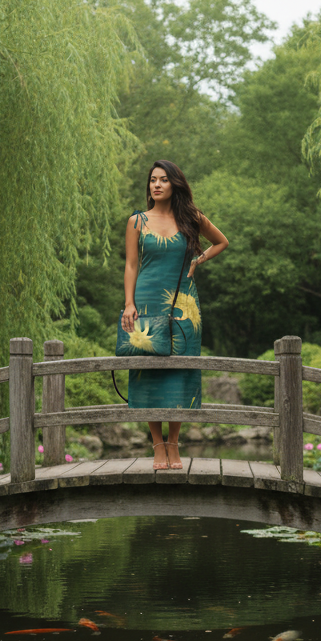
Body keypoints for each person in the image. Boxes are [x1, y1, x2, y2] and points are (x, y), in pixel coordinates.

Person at [120, 160, 228, 470]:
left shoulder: (191, 218)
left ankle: (174, 444)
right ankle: (157, 445)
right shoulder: (136, 221)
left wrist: (199, 260)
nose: (156, 185)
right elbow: (131, 265)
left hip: (185, 306)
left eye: (163, 180)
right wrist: (129, 303)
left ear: (174, 184)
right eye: (152, 180)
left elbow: (221, 241)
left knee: (181, 370)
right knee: (148, 371)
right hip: (146, 302)